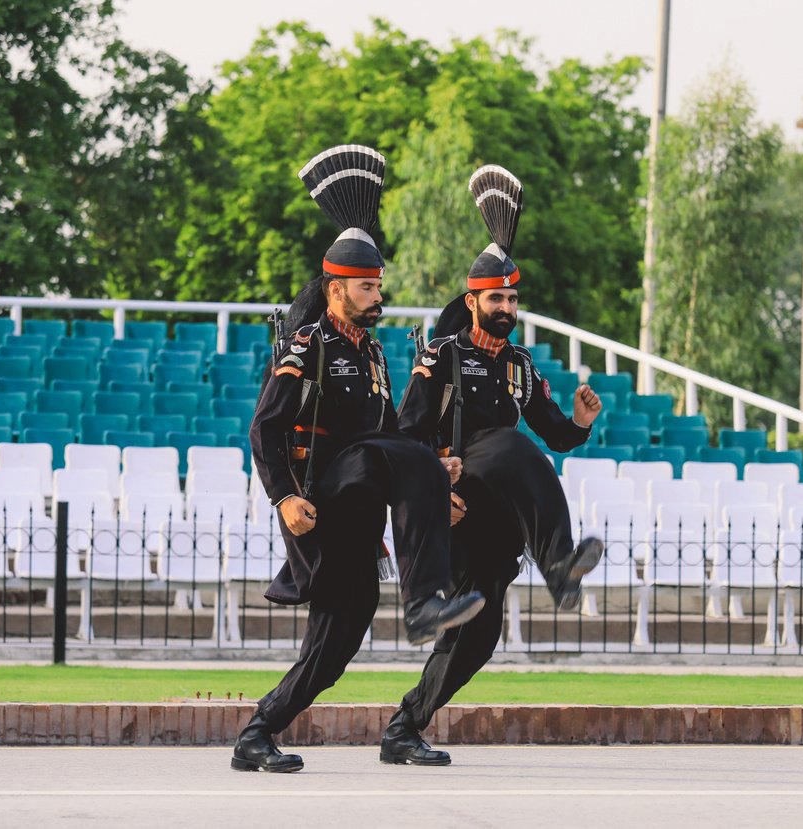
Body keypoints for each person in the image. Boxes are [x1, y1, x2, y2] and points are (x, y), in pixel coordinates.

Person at [234, 144, 485, 774]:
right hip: (325, 491)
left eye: (378, 286)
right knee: (391, 458)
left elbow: (393, 431)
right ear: (335, 287)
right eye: (367, 287)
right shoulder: (307, 343)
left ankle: (255, 735)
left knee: (339, 638)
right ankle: (425, 600)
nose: (379, 297)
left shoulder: (372, 353)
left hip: (361, 503)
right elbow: (264, 427)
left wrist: (433, 475)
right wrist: (284, 496)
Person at [380, 164, 603, 766]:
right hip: (452, 497)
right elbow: (405, 435)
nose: (505, 307)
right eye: (495, 298)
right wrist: (433, 479)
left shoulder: (520, 365)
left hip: (493, 517)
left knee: (479, 630)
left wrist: (580, 420)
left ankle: (405, 727)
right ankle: (558, 563)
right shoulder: (442, 357)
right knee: (506, 443)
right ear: (472, 300)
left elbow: (556, 436)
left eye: (511, 298)